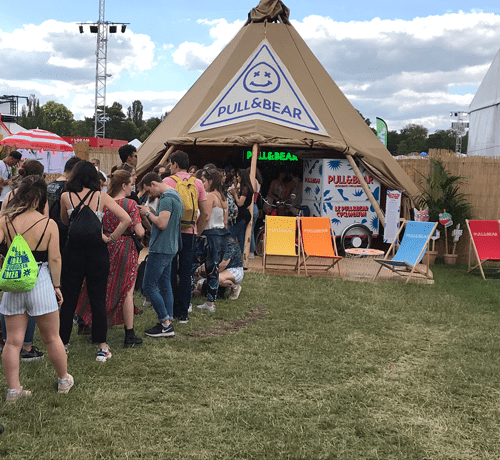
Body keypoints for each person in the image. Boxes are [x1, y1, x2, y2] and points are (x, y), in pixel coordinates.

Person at [0, 175, 73, 402]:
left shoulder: (5, 220)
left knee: (12, 341)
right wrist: (57, 286)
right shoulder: (48, 224)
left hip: (14, 281)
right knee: (52, 337)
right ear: (41, 197)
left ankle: (14, 389)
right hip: (40, 279)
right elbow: (55, 259)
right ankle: (63, 379)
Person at [59, 161, 131, 362]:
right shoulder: (101, 196)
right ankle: (101, 347)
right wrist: (110, 238)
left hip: (73, 251)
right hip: (96, 251)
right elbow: (126, 219)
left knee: (69, 298)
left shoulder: (66, 196)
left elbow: (65, 222)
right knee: (98, 298)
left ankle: (63, 344)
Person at [75, 170, 145, 347]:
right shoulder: (129, 204)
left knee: (102, 288)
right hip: (126, 247)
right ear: (123, 185)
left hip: (103, 244)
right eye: (131, 184)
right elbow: (140, 232)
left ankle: (94, 327)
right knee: (127, 290)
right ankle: (129, 335)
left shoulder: (102, 200)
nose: (132, 188)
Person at [0, 160, 48, 362]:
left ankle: (8, 342)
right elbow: (45, 224)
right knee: (30, 303)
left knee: (9, 301)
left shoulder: (9, 196)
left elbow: (2, 219)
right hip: (33, 253)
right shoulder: (38, 199)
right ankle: (26, 346)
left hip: (10, 252)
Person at [164, 150, 209, 323]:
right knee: (185, 273)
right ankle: (183, 313)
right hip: (190, 232)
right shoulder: (197, 183)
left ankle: (170, 310)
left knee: (169, 271)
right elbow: (205, 213)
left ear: (175, 164)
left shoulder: (168, 181)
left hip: (171, 233)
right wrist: (197, 230)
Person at [138, 172, 183, 337]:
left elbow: (162, 224)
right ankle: (168, 319)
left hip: (161, 248)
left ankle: (165, 324)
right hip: (170, 246)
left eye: (148, 191)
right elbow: (161, 225)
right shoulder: (175, 194)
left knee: (148, 287)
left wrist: (148, 212)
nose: (150, 195)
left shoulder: (166, 198)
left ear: (154, 184)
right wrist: (148, 216)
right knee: (165, 285)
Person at [194, 168, 230, 312]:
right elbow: (225, 221)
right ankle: (210, 303)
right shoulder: (223, 198)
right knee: (213, 270)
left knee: (190, 266)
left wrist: (197, 233)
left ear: (210, 181)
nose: (202, 184)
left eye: (203, 181)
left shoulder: (210, 196)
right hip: (220, 235)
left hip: (207, 236)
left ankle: (187, 300)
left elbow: (206, 216)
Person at [229, 169, 254, 253]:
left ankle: (233, 255)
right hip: (242, 215)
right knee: (241, 237)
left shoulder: (246, 189)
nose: (237, 178)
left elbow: (240, 203)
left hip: (242, 215)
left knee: (232, 235)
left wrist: (235, 194)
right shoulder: (244, 187)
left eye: (238, 176)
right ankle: (241, 255)